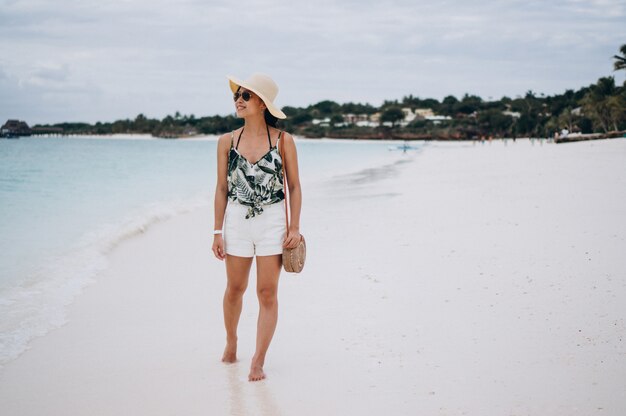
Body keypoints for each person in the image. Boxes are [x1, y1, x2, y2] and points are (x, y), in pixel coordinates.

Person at [211, 73, 302, 382]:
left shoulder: (283, 140)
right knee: (235, 289)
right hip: (236, 223)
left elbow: (294, 186)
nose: (238, 99)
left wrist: (294, 227)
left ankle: (258, 360)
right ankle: (232, 339)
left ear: (262, 103)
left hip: (273, 224)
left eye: (246, 96)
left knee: (267, 293)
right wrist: (216, 232)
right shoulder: (226, 141)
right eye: (237, 94)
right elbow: (221, 189)